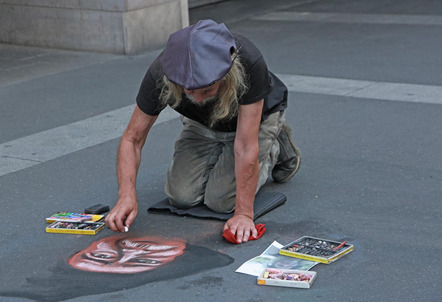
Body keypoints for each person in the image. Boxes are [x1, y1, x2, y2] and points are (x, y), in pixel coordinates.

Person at [105, 20, 300, 243]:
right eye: (190, 91)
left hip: (253, 121)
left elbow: (245, 147)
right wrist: (126, 196)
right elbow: (132, 138)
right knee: (181, 197)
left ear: (226, 75)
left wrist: (244, 214)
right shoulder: (162, 72)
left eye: (208, 90)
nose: (197, 99)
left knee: (222, 202)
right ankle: (220, 152)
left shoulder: (248, 61)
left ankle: (275, 142)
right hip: (203, 124)